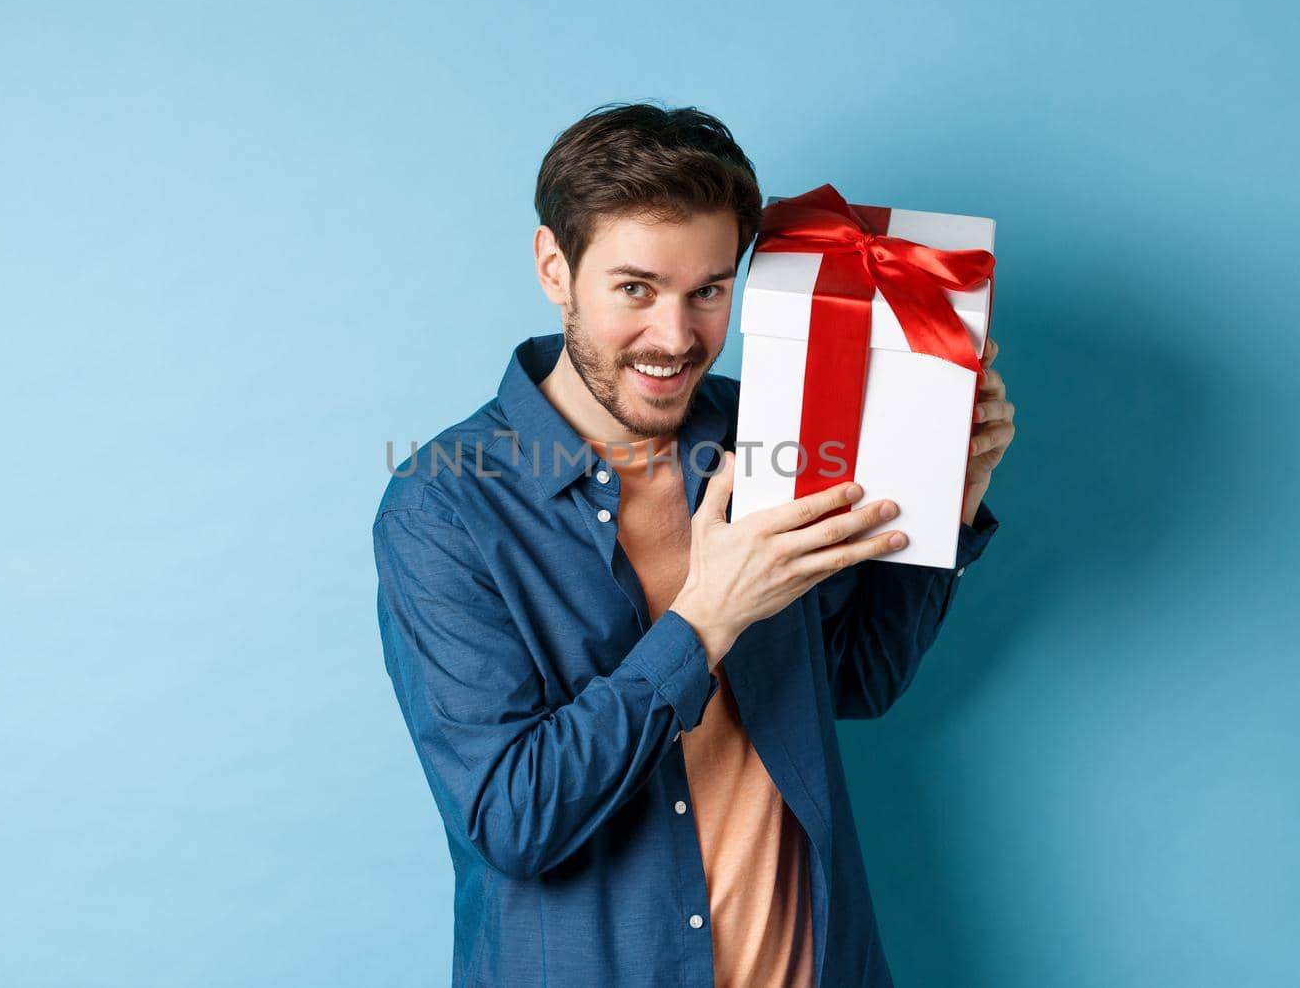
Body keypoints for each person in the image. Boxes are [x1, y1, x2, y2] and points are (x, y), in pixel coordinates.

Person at [372, 101, 1016, 987]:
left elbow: (858, 680)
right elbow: (513, 818)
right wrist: (704, 620)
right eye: (635, 288)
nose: (676, 339)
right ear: (554, 267)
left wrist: (955, 501)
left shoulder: (768, 430)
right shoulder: (443, 507)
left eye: (708, 290)